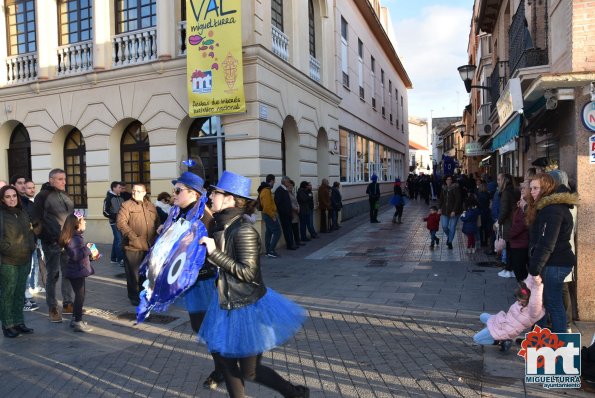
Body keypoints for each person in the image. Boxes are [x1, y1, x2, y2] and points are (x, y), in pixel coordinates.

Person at [198, 171, 309, 398]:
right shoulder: (219, 225)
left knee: (250, 371)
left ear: (230, 198)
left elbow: (248, 272)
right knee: (227, 363)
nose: (211, 196)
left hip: (246, 305)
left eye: (216, 193)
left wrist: (214, 254)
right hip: (224, 303)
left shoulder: (244, 229)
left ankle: (295, 393)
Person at [165, 171, 223, 390]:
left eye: (178, 190)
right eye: (175, 189)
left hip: (204, 281)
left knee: (207, 327)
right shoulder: (180, 212)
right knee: (201, 327)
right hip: (189, 281)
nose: (174, 193)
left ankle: (223, 369)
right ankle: (224, 366)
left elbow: (212, 248)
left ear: (194, 193)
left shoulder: (203, 216)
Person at [526, 173, 578, 333]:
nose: (532, 192)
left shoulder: (552, 210)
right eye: (531, 188)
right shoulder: (550, 207)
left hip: (556, 263)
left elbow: (547, 242)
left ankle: (561, 343)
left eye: (536, 188)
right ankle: (545, 338)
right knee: (548, 301)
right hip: (554, 262)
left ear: (546, 188)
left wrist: (535, 268)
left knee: (553, 302)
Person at [34, 168, 75, 323]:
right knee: (53, 274)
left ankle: (68, 303)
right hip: (52, 242)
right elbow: (36, 220)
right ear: (51, 180)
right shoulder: (42, 196)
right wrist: (48, 237)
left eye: (64, 179)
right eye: (60, 179)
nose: (64, 182)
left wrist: (75, 231)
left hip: (68, 240)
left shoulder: (65, 194)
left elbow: (70, 216)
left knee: (68, 273)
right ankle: (52, 307)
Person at [0, 185, 36, 338]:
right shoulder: (1, 215)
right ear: (2, 199)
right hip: (8, 261)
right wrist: (9, 249)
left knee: (20, 293)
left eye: (14, 196)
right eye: (8, 197)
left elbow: (30, 231)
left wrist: (31, 246)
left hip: (25, 259)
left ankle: (18, 322)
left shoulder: (22, 212)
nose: (12, 199)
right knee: (8, 293)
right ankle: (7, 324)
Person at [473, 276, 544, 352]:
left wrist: (537, 284)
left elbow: (536, 298)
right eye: (518, 300)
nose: (519, 302)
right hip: (503, 321)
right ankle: (495, 334)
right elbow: (528, 284)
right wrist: (534, 274)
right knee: (483, 316)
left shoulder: (533, 310)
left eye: (522, 301)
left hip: (507, 330)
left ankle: (500, 341)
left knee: (476, 339)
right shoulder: (524, 299)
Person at [116, 184, 160, 306]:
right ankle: (134, 297)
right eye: (133, 191)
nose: (135, 193)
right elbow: (121, 223)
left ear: (144, 192)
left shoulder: (151, 206)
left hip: (149, 246)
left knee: (147, 274)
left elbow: (158, 224)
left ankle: (145, 295)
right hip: (133, 247)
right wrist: (133, 238)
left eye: (138, 191)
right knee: (133, 275)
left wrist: (157, 237)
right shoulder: (126, 205)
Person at [59, 212, 98, 333]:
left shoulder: (76, 236)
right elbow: (76, 256)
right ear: (77, 224)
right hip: (76, 272)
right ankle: (78, 322)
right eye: (83, 220)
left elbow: (80, 254)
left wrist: (91, 255)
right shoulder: (74, 238)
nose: (85, 222)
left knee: (80, 296)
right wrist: (88, 248)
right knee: (80, 297)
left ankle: (75, 319)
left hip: (78, 271)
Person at [496, 174, 517, 278]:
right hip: (512, 222)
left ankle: (509, 269)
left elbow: (504, 210)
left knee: (508, 247)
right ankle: (509, 268)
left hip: (508, 223)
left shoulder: (505, 193)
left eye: (499, 179)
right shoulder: (512, 190)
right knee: (509, 247)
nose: (498, 182)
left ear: (505, 181)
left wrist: (498, 222)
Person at [508, 181, 530, 282]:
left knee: (520, 272)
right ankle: (524, 293)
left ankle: (525, 294)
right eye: (521, 188)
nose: (522, 190)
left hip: (521, 243)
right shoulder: (522, 203)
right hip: (517, 242)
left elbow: (522, 223)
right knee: (519, 271)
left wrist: (509, 234)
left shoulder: (527, 205)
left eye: (524, 188)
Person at [103, 181, 126, 265]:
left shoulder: (121, 197)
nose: (121, 189)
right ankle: (121, 259)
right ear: (114, 188)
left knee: (117, 239)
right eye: (119, 187)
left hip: (122, 222)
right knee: (119, 240)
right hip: (114, 222)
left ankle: (113, 258)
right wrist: (116, 216)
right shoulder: (108, 198)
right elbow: (105, 212)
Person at [259, 175, 281, 258]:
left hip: (266, 214)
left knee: (269, 232)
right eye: (274, 181)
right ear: (271, 181)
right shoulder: (266, 191)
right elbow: (267, 207)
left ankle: (268, 251)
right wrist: (273, 216)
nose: (274, 183)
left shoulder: (265, 190)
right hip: (269, 214)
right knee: (277, 232)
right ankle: (271, 250)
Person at [438, 175, 462, 249]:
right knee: (444, 226)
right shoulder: (443, 188)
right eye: (447, 179)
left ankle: (450, 242)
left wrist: (454, 210)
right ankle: (450, 237)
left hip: (455, 212)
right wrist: (439, 208)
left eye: (450, 179)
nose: (448, 181)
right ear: (445, 181)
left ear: (452, 180)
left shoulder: (455, 188)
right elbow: (441, 199)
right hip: (445, 211)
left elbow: (458, 200)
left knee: (452, 227)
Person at [274, 176, 297, 250]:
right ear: (285, 182)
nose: (289, 183)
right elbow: (278, 203)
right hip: (284, 214)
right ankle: (289, 245)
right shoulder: (279, 190)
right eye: (288, 182)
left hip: (288, 214)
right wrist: (285, 211)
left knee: (289, 229)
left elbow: (288, 202)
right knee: (287, 230)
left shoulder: (285, 190)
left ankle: (291, 244)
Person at [287, 180, 304, 246]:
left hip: (296, 213)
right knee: (293, 228)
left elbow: (296, 201)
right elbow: (290, 204)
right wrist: (296, 208)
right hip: (292, 213)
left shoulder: (292, 193)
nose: (291, 187)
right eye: (290, 185)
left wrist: (298, 207)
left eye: (292, 185)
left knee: (296, 228)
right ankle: (295, 241)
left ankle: (298, 241)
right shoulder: (287, 194)